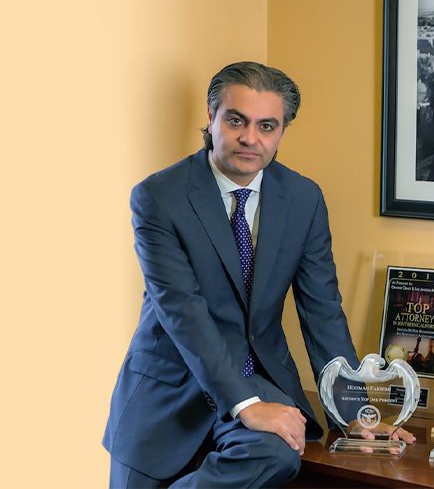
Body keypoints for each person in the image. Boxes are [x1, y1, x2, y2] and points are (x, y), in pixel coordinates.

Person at [102, 62, 414, 488]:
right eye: (236, 121)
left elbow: (322, 311)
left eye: (267, 125)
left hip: (261, 378)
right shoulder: (159, 197)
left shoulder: (303, 199)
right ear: (211, 118)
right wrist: (246, 405)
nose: (251, 138)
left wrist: (354, 411)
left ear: (283, 130)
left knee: (278, 454)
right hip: (171, 391)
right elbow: (182, 312)